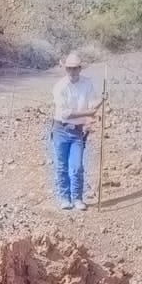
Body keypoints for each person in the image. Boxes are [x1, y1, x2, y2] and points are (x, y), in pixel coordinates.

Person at [51, 52, 103, 210]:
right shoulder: (60, 86)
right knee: (62, 166)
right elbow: (65, 112)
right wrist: (88, 113)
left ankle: (78, 198)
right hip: (61, 128)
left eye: (74, 68)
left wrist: (101, 101)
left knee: (77, 166)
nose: (72, 72)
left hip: (77, 131)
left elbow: (92, 103)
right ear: (65, 69)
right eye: (69, 69)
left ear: (80, 69)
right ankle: (65, 198)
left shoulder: (87, 84)